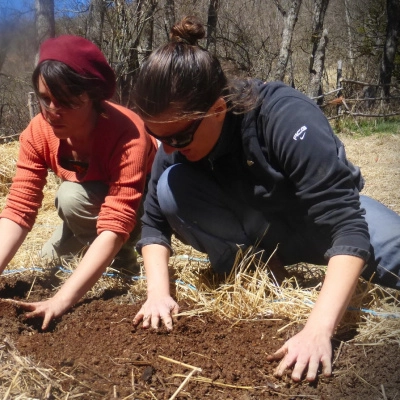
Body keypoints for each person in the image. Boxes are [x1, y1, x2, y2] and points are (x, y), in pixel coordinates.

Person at [130, 16, 400, 382]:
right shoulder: (175, 136)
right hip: (258, 234)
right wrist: (158, 294)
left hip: (316, 223)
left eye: (178, 138)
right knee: (169, 187)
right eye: (157, 135)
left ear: (218, 109)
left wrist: (318, 330)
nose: (168, 147)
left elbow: (347, 224)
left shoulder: (281, 114)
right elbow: (153, 223)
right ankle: (259, 270)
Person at [0, 35, 157, 330]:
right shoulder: (38, 132)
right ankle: (91, 247)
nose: (52, 111)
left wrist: (61, 300)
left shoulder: (129, 133)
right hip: (91, 198)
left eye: (67, 102)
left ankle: (124, 259)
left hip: (141, 203)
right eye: (45, 99)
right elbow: (19, 208)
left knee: (70, 197)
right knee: (49, 257)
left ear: (93, 97)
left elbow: (117, 219)